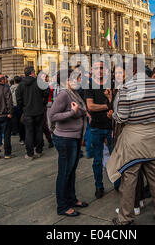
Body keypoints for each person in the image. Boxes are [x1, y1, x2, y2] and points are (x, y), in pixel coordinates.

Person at [107, 57, 155, 225]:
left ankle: (126, 218)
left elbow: (121, 117)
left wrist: (112, 115)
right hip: (153, 136)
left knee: (129, 178)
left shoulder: (126, 88)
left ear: (133, 71)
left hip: (134, 139)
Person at [49, 69, 89, 217]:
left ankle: (71, 199)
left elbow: (82, 109)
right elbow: (52, 115)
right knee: (65, 173)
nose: (79, 80)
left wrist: (81, 112)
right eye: (76, 78)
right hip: (65, 139)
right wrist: (72, 113)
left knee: (71, 172)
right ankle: (63, 206)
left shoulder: (73, 93)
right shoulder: (64, 94)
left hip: (74, 137)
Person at [84, 60, 113, 199]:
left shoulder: (111, 83)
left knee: (115, 158)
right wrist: (107, 106)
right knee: (97, 160)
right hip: (96, 127)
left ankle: (118, 183)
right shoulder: (89, 85)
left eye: (101, 68)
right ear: (92, 70)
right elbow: (90, 106)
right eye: (96, 68)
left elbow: (115, 104)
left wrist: (109, 101)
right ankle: (99, 186)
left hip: (111, 127)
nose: (99, 71)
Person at [16, 67, 49, 160]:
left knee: (29, 132)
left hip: (27, 111)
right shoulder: (39, 82)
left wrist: (23, 107)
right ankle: (38, 151)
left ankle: (30, 153)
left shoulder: (21, 85)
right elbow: (46, 92)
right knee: (39, 131)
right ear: (32, 73)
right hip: (38, 110)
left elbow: (18, 99)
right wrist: (43, 103)